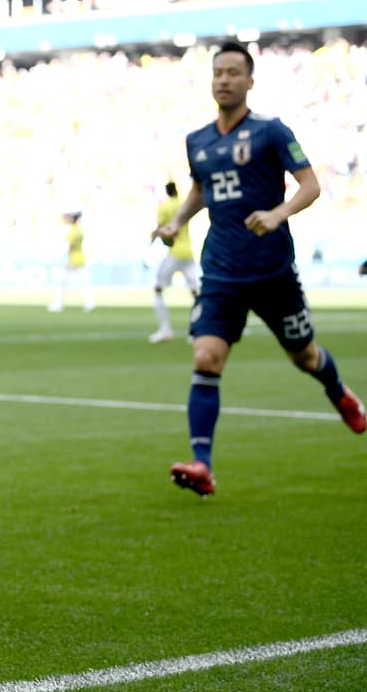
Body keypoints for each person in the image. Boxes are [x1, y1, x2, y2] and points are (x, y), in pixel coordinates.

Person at [154, 40, 365, 496]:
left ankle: (339, 392)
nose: (224, 80)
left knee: (304, 356)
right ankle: (202, 464)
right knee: (206, 357)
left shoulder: (271, 132)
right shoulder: (198, 141)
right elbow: (202, 189)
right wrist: (176, 220)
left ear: (250, 81)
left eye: (233, 72)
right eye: (218, 73)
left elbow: (310, 186)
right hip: (221, 272)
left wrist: (277, 214)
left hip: (272, 272)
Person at [148, 180, 201, 343]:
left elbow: (161, 230)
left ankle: (165, 329)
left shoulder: (165, 207)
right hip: (189, 251)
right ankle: (196, 332)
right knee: (196, 293)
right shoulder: (184, 203)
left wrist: (151, 241)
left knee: (158, 289)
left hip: (175, 252)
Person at [48, 211, 95, 313]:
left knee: (61, 283)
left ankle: (58, 304)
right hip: (81, 259)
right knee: (85, 283)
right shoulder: (79, 230)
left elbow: (68, 247)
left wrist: (61, 258)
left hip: (71, 260)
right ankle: (89, 303)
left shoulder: (71, 231)